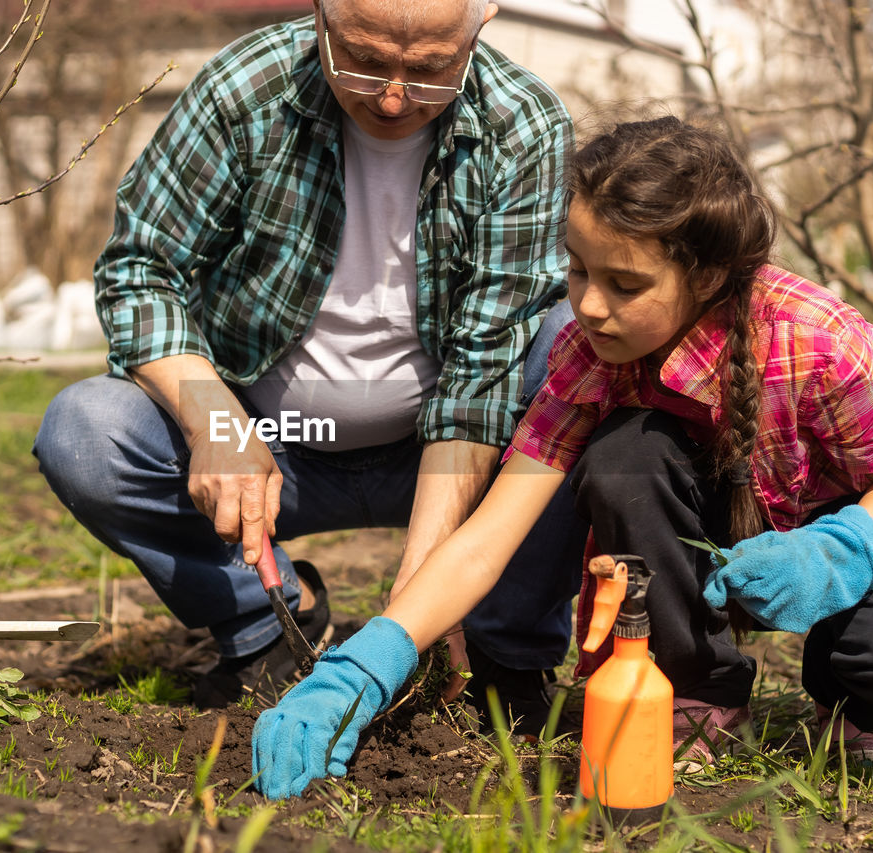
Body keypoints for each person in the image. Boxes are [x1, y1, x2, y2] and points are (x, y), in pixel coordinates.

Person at [251, 116, 873, 799]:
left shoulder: (821, 341)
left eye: (624, 283)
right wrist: (370, 660)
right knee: (623, 456)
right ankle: (696, 690)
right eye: (577, 271)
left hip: (846, 519)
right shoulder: (591, 355)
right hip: (709, 523)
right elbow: (485, 540)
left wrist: (834, 550)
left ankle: (852, 697)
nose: (589, 305)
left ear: (704, 276)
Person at [33, 0, 586, 712]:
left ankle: (501, 649)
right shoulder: (245, 91)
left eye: (429, 71)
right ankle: (267, 625)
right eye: (363, 59)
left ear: (482, 23)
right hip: (277, 444)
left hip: (443, 450)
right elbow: (142, 271)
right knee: (86, 432)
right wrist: (216, 425)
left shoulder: (525, 124)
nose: (391, 96)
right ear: (322, 13)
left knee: (573, 347)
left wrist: (418, 602)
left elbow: (485, 370)